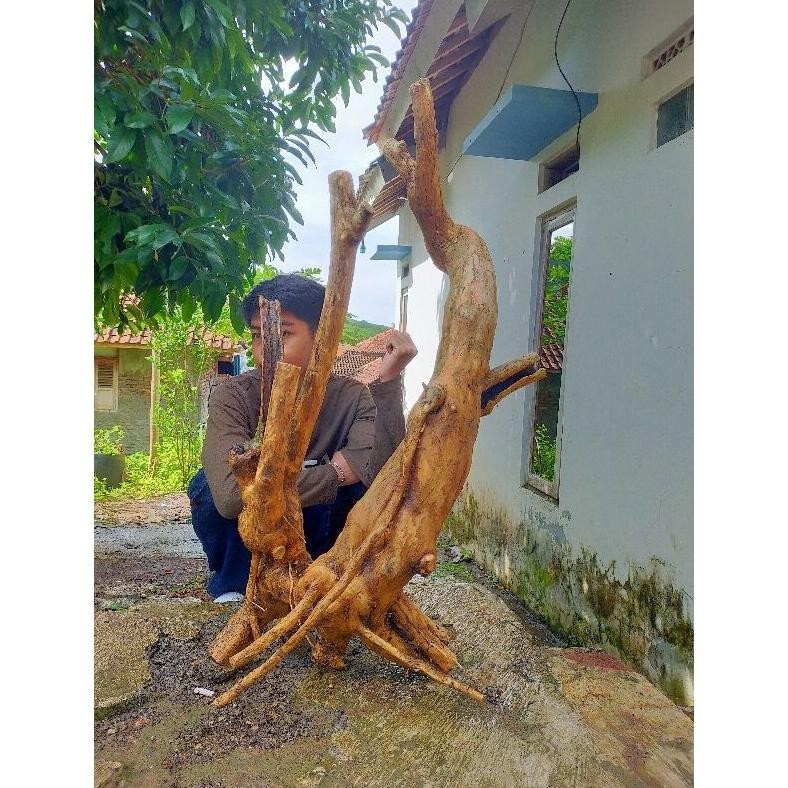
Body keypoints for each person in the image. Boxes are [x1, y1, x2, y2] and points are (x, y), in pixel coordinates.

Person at [188, 274, 417, 602]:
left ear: (322, 337)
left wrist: (390, 380)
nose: (263, 351)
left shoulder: (352, 398)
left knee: (357, 491)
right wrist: (333, 474)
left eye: (282, 335)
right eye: (257, 336)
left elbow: (381, 479)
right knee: (206, 487)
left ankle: (323, 579)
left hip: (315, 542)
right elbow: (228, 496)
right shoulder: (233, 397)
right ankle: (233, 586)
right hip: (249, 542)